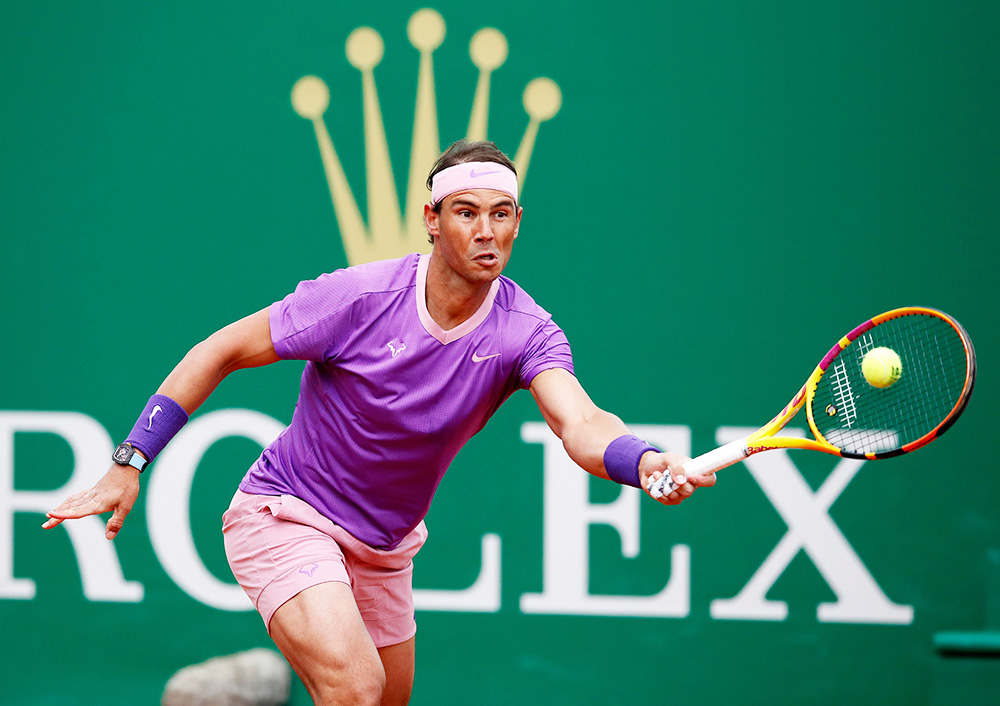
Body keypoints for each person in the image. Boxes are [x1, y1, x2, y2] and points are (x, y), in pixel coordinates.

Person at [43, 140, 716, 706]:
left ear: (518, 221)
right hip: (287, 513)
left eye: (502, 214)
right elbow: (217, 351)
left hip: (385, 548)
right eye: (467, 213)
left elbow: (582, 421)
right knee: (356, 687)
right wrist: (130, 459)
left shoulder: (526, 331)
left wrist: (644, 458)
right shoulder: (358, 298)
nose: (487, 232)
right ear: (431, 218)